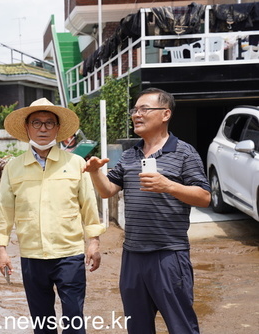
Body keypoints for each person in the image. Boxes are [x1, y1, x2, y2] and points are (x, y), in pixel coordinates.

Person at [83, 88, 211, 334]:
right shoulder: (130, 155)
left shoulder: (184, 152)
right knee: (137, 327)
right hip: (132, 256)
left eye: (144, 109)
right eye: (135, 110)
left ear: (165, 114)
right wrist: (95, 172)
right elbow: (107, 191)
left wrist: (169, 185)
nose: (136, 115)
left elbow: (204, 197)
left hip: (168, 255)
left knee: (181, 326)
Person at [0, 97, 106, 334]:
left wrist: (93, 241)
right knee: (42, 324)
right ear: (27, 128)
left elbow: (88, 205)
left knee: (75, 322)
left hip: (70, 255)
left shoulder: (76, 164)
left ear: (57, 129)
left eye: (48, 123)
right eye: (36, 123)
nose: (43, 128)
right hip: (32, 256)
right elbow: (4, 209)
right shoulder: (13, 168)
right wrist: (2, 249)